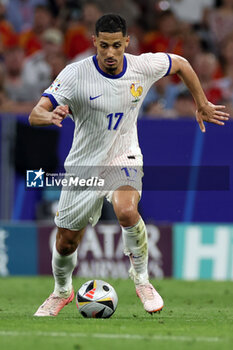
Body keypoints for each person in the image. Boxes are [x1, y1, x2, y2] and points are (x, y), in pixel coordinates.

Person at [29, 14, 229, 317]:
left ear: (127, 43)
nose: (110, 53)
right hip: (84, 167)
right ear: (95, 42)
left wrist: (201, 102)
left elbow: (183, 64)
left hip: (124, 155)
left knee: (126, 210)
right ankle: (61, 291)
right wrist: (51, 116)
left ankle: (142, 280)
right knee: (67, 242)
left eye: (117, 46)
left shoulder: (142, 66)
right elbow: (35, 114)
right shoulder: (75, 74)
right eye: (104, 46)